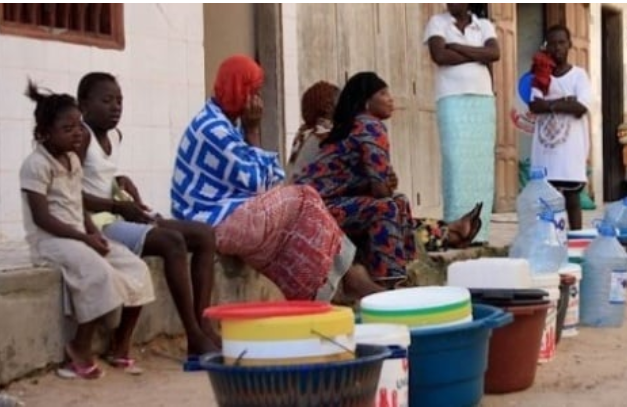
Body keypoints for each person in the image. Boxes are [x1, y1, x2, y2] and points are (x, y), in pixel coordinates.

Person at [171, 55, 383, 302]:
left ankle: (337, 286)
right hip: (211, 224)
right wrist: (253, 130)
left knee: (296, 223)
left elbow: (269, 179)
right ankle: (349, 280)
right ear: (239, 89)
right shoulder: (213, 128)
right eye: (254, 92)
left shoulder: (228, 123)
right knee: (304, 197)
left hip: (230, 213)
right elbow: (263, 184)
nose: (258, 102)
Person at [76, 72, 220, 357]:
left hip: (119, 214)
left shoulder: (114, 136)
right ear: (84, 105)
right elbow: (73, 193)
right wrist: (116, 206)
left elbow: (100, 175)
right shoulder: (81, 138)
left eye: (119, 101)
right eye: (106, 100)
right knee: (172, 243)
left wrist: (121, 182)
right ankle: (192, 335)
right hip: (100, 224)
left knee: (205, 235)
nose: (115, 107)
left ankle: (204, 326)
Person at [19, 81, 155, 379]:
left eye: (79, 126)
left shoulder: (71, 160)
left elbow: (76, 204)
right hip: (51, 241)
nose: (78, 133)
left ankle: (120, 346)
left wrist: (94, 233)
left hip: (78, 236)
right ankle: (79, 349)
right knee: (99, 272)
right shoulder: (35, 165)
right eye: (68, 129)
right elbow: (42, 218)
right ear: (44, 134)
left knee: (136, 268)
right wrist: (84, 238)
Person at [288, 80, 483, 253]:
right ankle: (448, 235)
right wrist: (380, 179)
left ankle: (449, 232)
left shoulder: (308, 133)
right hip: (317, 210)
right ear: (329, 108)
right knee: (389, 210)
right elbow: (367, 180)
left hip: (315, 205)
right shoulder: (327, 134)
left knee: (395, 207)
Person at [295, 72, 422, 285]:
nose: (391, 98)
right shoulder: (369, 126)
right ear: (367, 102)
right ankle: (388, 282)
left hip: (319, 203)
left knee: (399, 202)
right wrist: (384, 184)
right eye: (383, 93)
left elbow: (381, 183)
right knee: (386, 208)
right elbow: (381, 190)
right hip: (316, 208)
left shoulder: (354, 125)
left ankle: (402, 273)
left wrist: (384, 184)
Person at [424, 3, 499, 244]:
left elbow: (494, 54)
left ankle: (480, 231)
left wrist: (456, 47)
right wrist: (477, 52)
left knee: (481, 165)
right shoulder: (437, 22)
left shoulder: (484, 25)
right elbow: (439, 55)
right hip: (451, 98)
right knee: (455, 162)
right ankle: (455, 230)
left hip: (483, 99)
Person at [527, 25, 591, 231]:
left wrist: (550, 105)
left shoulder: (579, 76)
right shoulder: (541, 76)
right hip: (546, 152)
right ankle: (549, 242)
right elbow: (534, 105)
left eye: (562, 42)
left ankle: (576, 241)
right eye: (552, 44)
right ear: (546, 47)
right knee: (547, 201)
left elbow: (580, 107)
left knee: (572, 199)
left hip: (570, 151)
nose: (557, 48)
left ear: (570, 45)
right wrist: (564, 101)